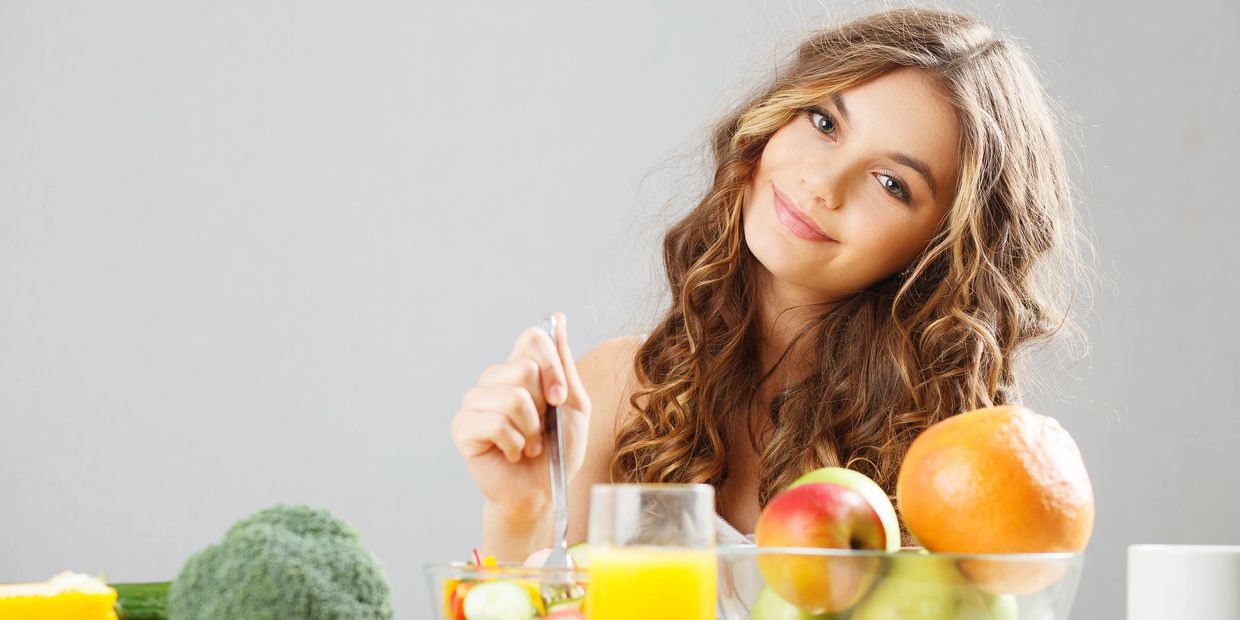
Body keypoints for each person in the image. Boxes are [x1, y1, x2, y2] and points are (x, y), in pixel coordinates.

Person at [451, 6, 1088, 561]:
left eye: (892, 184)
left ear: (942, 250)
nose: (822, 184)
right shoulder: (615, 393)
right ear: (775, 116)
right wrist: (521, 512)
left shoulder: (961, 466)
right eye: (823, 122)